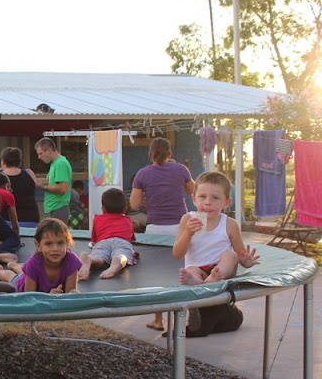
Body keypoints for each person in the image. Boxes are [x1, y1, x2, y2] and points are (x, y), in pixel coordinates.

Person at [173, 171, 259, 337]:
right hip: (198, 270)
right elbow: (177, 253)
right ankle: (198, 282)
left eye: (215, 198)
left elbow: (240, 255)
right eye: (203, 197)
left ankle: (210, 281)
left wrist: (246, 262)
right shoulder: (187, 220)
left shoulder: (229, 224)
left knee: (230, 255)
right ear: (194, 199)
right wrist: (188, 233)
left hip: (220, 272)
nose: (208, 202)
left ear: (226, 203)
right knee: (190, 270)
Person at [130, 137, 194, 331]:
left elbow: (134, 204)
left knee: (157, 275)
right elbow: (194, 191)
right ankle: (186, 317)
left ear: (150, 155)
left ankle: (158, 320)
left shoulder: (142, 174)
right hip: (180, 227)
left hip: (155, 228)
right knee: (183, 271)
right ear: (170, 154)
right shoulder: (181, 170)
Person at [0, 218, 81, 293]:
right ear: (39, 246)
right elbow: (30, 298)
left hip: (31, 275)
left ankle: (15, 266)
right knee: (13, 277)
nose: (55, 249)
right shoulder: (33, 263)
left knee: (24, 272)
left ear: (67, 244)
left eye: (60, 243)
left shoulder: (71, 261)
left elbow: (71, 293)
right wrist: (50, 298)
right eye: (49, 244)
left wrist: (73, 294)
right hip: (25, 285)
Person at [77, 188, 136, 280]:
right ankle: (117, 261)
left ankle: (90, 259)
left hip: (103, 242)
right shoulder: (128, 220)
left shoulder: (97, 219)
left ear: (103, 209)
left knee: (99, 257)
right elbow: (130, 240)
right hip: (122, 242)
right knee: (122, 254)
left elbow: (94, 242)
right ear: (125, 209)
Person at [0, 146, 40, 225]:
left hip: (6, 222)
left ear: (3, 161)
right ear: (19, 161)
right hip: (31, 220)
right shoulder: (29, 173)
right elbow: (35, 185)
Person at [34, 137, 72, 223]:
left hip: (58, 208)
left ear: (49, 150)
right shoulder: (55, 163)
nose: (39, 157)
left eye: (40, 153)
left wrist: (43, 187)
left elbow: (63, 188)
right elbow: (49, 181)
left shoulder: (60, 163)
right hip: (54, 208)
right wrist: (33, 180)